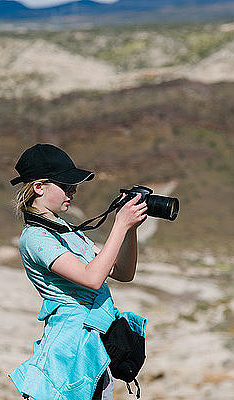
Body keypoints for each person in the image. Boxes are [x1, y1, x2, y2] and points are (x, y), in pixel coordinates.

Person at [8, 143, 148, 400]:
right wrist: (119, 224)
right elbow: (93, 279)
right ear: (39, 187)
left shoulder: (68, 231)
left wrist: (130, 229)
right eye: (65, 184)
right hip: (67, 357)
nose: (73, 190)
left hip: (93, 350)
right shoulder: (35, 238)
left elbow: (123, 272)